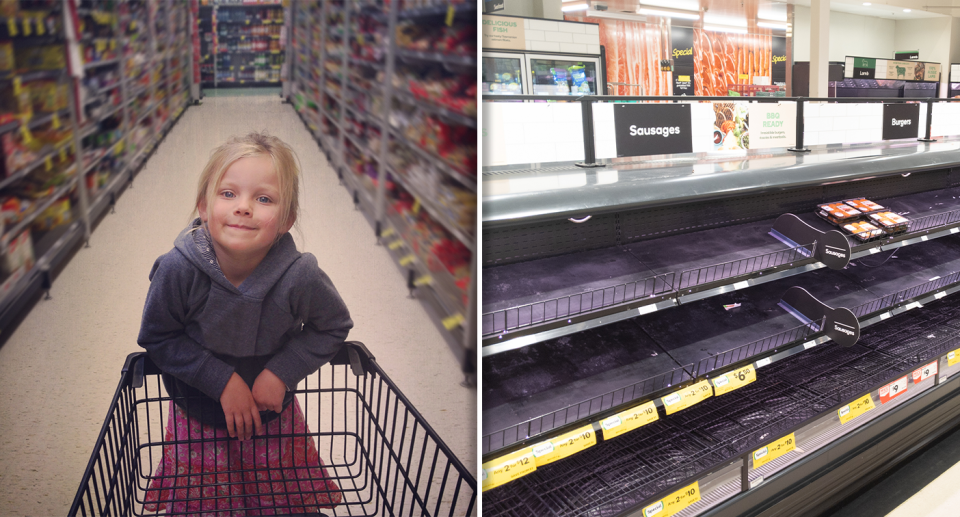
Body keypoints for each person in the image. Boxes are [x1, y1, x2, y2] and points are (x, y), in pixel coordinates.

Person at [137, 131, 353, 515]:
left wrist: (281, 372)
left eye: (264, 198)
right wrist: (221, 380)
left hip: (273, 418)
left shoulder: (300, 274)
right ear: (203, 206)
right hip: (198, 415)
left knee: (279, 498)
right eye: (228, 194)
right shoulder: (177, 269)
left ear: (286, 220)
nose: (244, 207)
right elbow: (159, 335)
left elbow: (333, 325)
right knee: (205, 502)